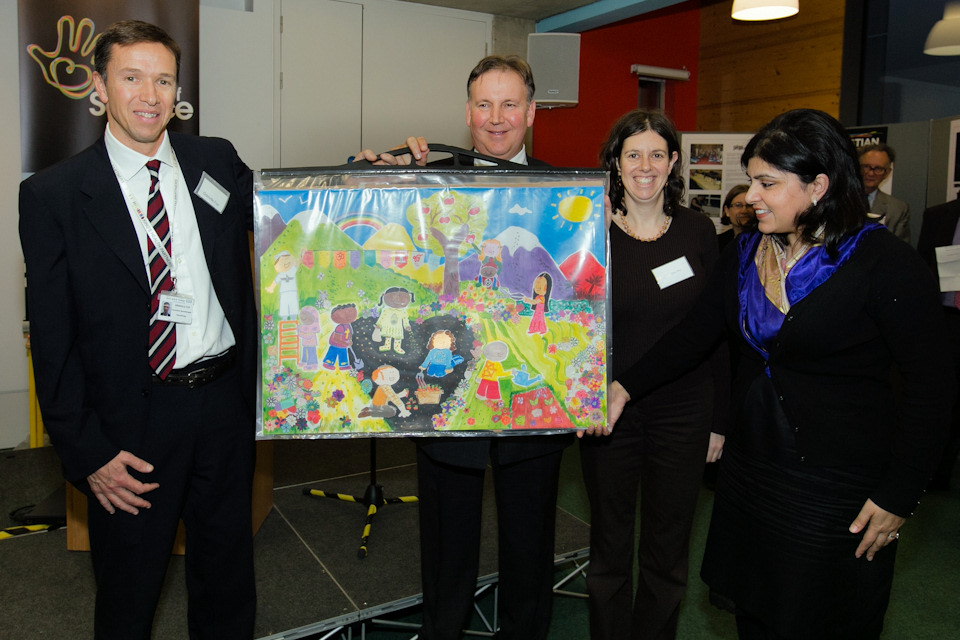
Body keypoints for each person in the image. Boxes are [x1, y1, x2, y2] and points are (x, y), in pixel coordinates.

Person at [602, 109, 953, 639]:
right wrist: (624, 386)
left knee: (827, 617)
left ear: (818, 186)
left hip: (838, 484)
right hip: (755, 472)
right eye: (752, 181)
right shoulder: (746, 253)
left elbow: (932, 387)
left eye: (768, 183)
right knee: (758, 611)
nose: (753, 196)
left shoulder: (884, 262)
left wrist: (900, 494)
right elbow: (692, 336)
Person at [19, 20, 258, 640]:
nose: (150, 95)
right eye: (132, 77)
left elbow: (297, 214)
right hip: (132, 429)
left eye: (163, 80)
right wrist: (87, 453)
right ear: (99, 86)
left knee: (228, 586)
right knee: (129, 595)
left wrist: (377, 171)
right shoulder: (55, 195)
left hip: (225, 406)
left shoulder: (216, 161)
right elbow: (52, 337)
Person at [356, 55, 572, 640]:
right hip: (448, 396)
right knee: (446, 546)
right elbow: (358, 190)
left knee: (531, 543)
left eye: (509, 105)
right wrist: (379, 166)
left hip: (530, 404)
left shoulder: (565, 194)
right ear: (467, 111)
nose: (495, 119)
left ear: (531, 111)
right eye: (483, 104)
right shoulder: (428, 180)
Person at [578, 109, 728, 640]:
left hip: (685, 411)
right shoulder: (588, 233)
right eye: (633, 154)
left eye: (657, 154)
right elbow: (571, 326)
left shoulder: (699, 230)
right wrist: (579, 397)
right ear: (615, 165)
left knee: (668, 547)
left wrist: (719, 421)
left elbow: (715, 332)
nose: (646, 166)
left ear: (674, 162)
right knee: (610, 546)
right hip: (607, 413)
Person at [916, 195, 960, 490]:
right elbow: (922, 267)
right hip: (946, 320)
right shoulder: (938, 215)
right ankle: (934, 472)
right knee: (942, 397)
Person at [859, 143, 911, 242]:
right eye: (866, 166)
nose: (871, 173)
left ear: (887, 173)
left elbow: (900, 250)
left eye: (878, 169)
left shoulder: (898, 209)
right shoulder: (837, 201)